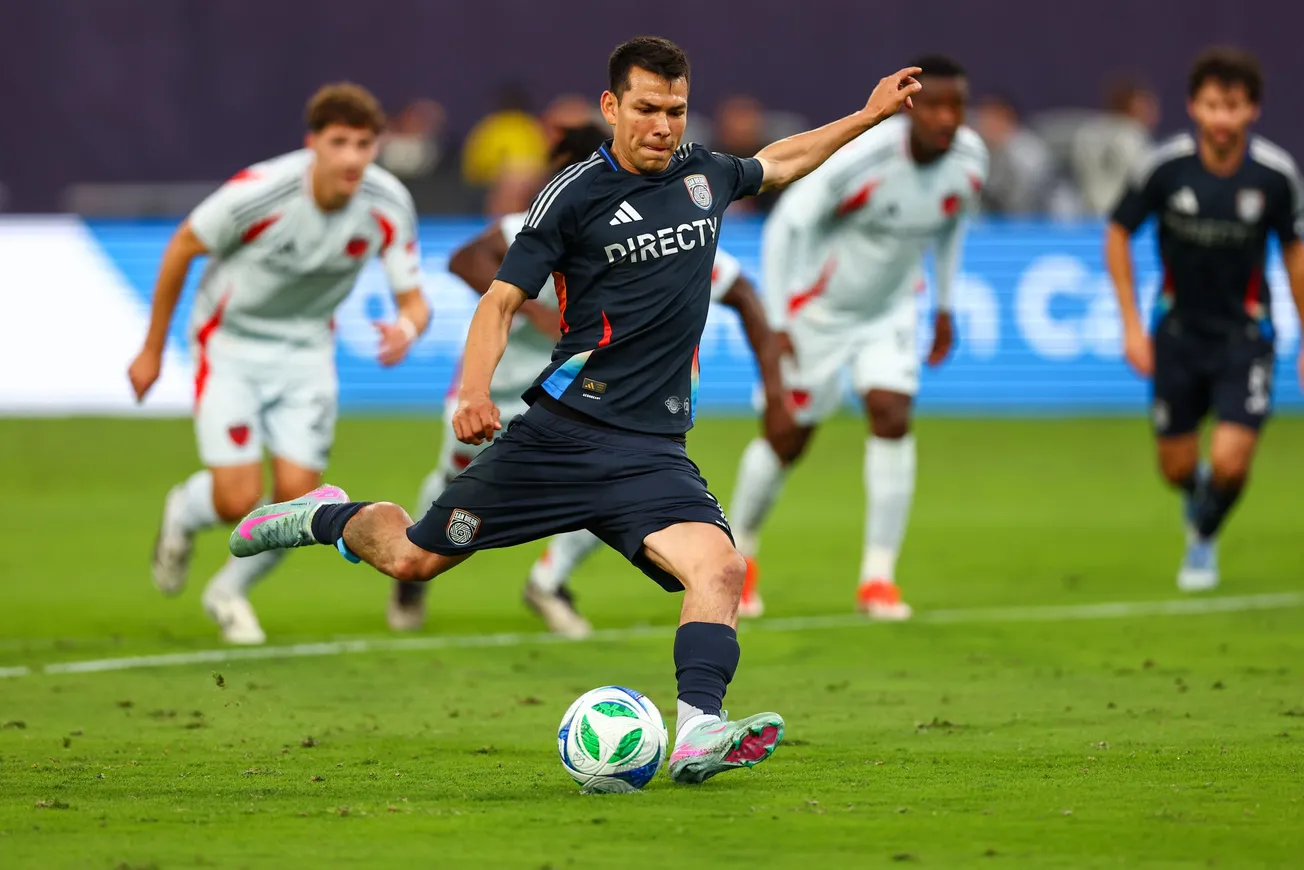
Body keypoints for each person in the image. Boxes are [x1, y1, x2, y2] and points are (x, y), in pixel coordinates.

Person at [229, 36, 920, 784]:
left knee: (719, 569)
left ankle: (698, 732)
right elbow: (499, 301)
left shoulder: (704, 176)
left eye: (677, 111)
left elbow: (782, 160)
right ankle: (323, 515)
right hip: (562, 436)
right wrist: (472, 391)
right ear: (612, 106)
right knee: (413, 557)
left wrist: (869, 115)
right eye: (648, 109)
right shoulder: (572, 196)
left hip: (653, 451)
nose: (664, 126)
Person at [388, 123, 793, 638]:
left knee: (609, 492)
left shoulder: (670, 229)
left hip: (590, 404)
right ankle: (415, 564)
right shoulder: (547, 218)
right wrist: (531, 312)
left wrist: (775, 383)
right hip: (506, 389)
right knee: (453, 481)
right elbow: (466, 259)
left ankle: (548, 580)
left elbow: (742, 293)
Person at [127, 83, 429, 645]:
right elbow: (181, 248)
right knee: (236, 498)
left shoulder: (386, 205)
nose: (351, 158)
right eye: (339, 142)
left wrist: (406, 330)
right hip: (230, 344)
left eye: (364, 144)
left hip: (307, 350)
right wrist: (150, 347)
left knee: (300, 502)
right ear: (312, 142)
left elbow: (415, 301)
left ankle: (228, 591)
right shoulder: (262, 192)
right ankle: (183, 510)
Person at [726, 55, 987, 621]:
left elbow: (951, 224)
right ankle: (739, 559)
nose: (949, 118)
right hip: (816, 312)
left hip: (888, 312)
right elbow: (788, 223)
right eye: (936, 105)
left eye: (958, 106)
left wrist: (943, 304)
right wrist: (776, 324)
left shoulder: (969, 160)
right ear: (911, 109)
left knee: (892, 414)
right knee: (786, 437)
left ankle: (878, 578)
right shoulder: (865, 157)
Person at [1105, 47, 1304, 592]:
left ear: (1252, 111)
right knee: (1175, 468)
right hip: (1176, 336)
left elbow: (1294, 252)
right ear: (1194, 106)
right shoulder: (1163, 167)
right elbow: (1118, 233)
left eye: (1233, 106)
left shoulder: (1275, 175)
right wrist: (1129, 323)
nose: (1222, 118)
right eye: (1213, 105)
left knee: (1233, 462)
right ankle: (1198, 500)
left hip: (1246, 337)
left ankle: (1203, 537)